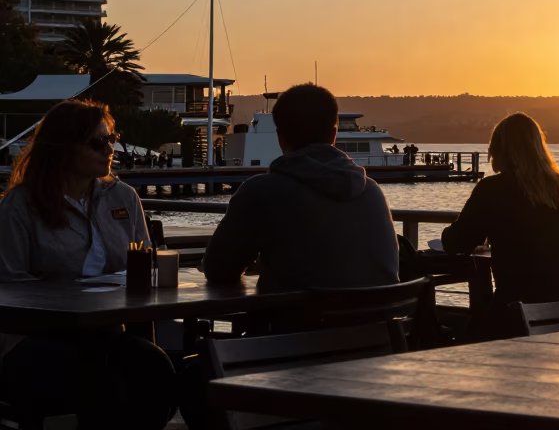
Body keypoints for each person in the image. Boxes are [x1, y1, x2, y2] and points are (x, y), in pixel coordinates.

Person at [0, 100, 176, 428]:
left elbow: (145, 263)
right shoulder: (20, 206)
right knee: (100, 381)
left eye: (111, 139)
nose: (110, 149)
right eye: (97, 143)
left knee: (156, 368)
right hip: (33, 338)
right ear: (64, 148)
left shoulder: (122, 197)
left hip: (103, 332)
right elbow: (8, 285)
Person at [202, 83, 399, 292]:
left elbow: (218, 270)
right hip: (378, 321)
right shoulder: (372, 191)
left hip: (296, 323)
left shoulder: (261, 192)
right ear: (334, 135)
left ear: (280, 137)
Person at [441, 113, 559, 335]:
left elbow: (457, 243)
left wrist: (449, 233)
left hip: (517, 312)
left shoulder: (493, 189)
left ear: (498, 150)